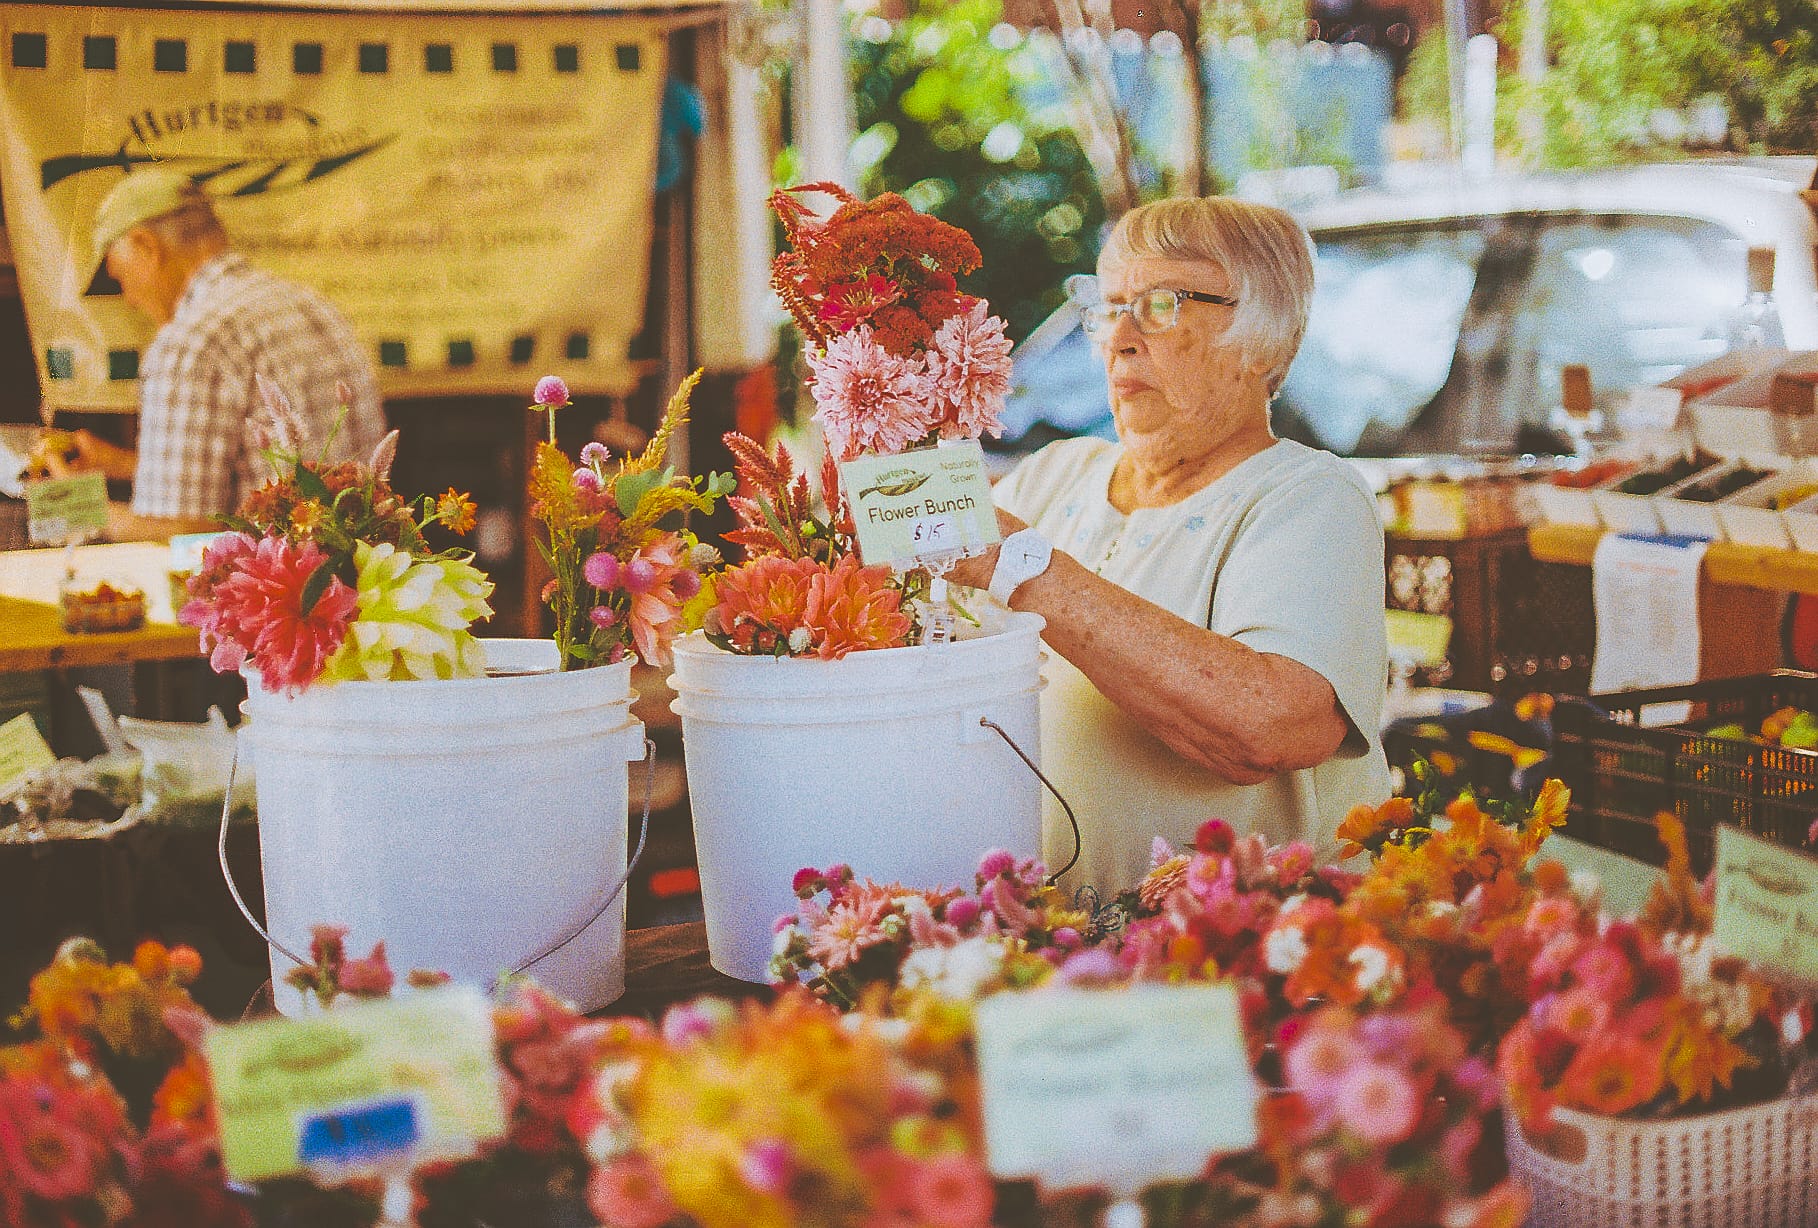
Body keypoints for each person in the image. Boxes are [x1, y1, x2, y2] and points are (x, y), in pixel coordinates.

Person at [952, 196, 1390, 894]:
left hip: (1248, 958)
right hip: (1055, 953)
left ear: (1263, 342)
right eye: (1107, 304)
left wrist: (1026, 569)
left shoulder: (1307, 495)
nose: (1119, 336)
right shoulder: (1054, 475)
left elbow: (1273, 725)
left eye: (1161, 303)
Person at [59, 167, 385, 540]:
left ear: (147, 246)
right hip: (357, 587)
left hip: (266, 594)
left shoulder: (189, 341)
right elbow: (269, 476)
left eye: (120, 278)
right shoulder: (312, 306)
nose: (129, 299)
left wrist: (74, 503)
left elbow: (185, 534)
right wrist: (123, 465)